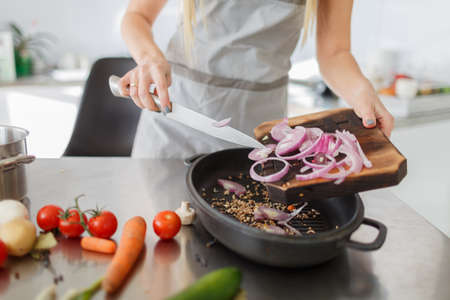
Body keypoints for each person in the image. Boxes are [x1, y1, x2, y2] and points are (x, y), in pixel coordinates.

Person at [119, 0, 394, 159]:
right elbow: (137, 16)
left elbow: (335, 53)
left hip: (259, 133)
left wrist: (363, 94)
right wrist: (149, 58)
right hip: (177, 120)